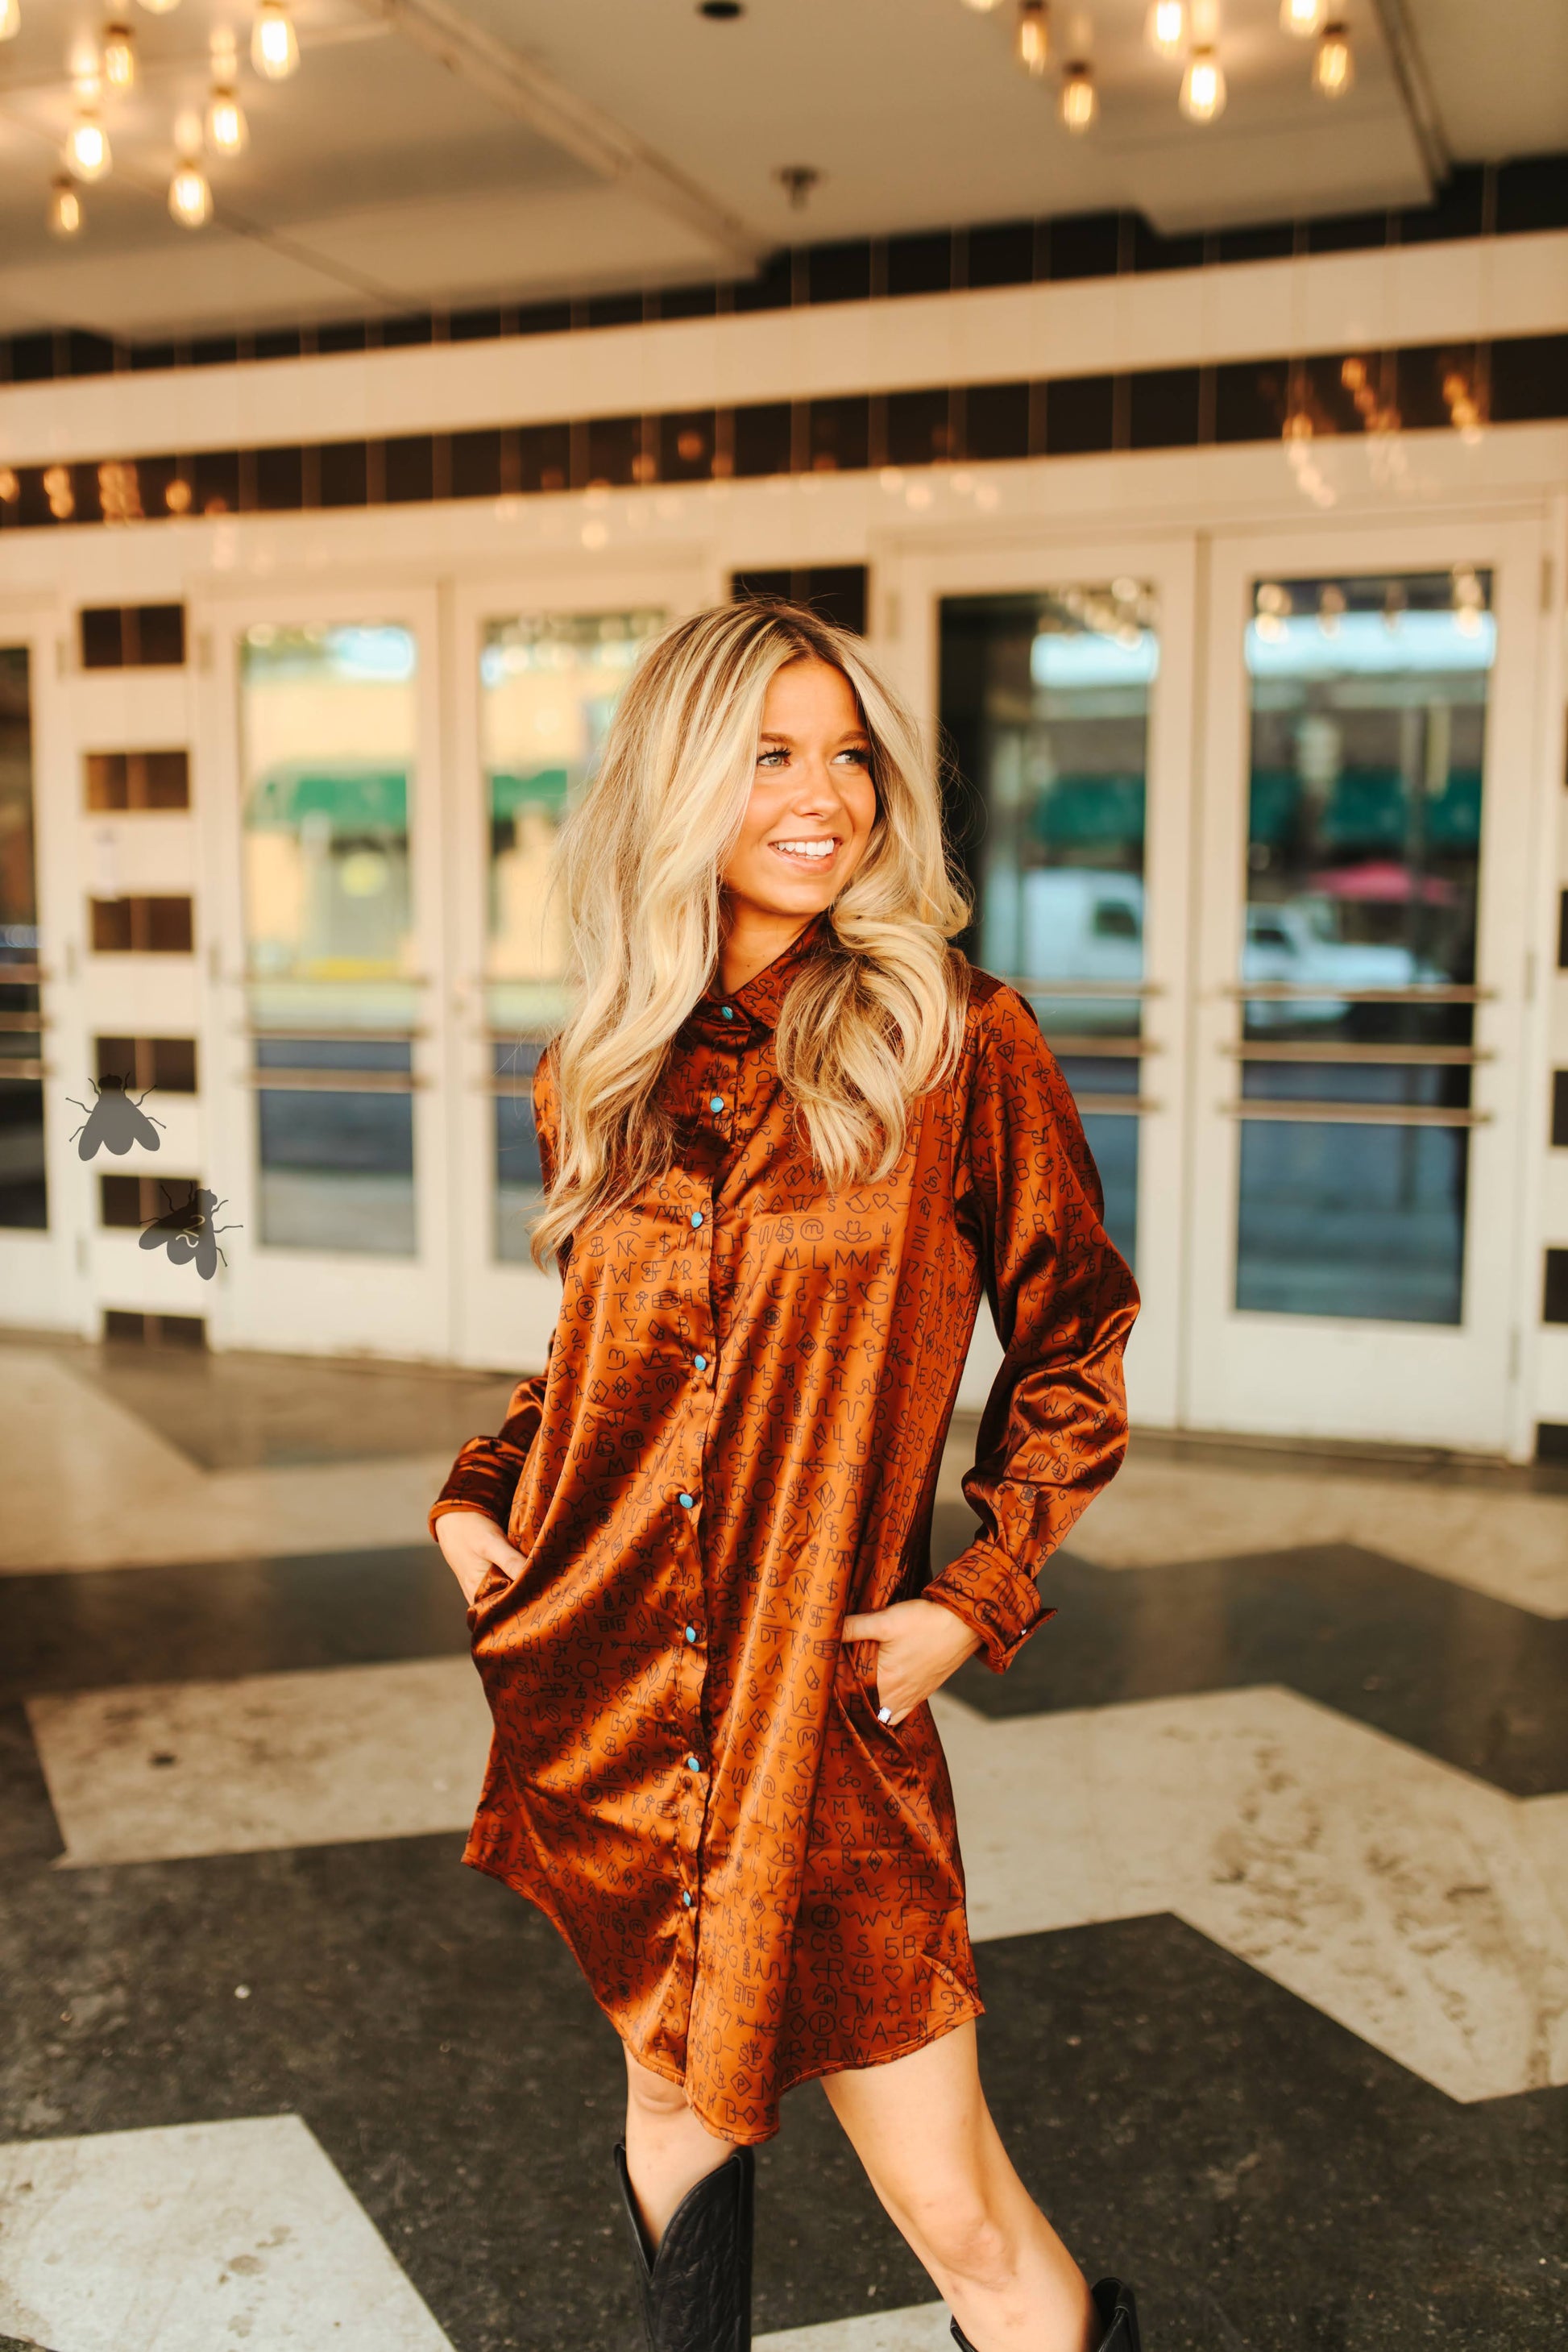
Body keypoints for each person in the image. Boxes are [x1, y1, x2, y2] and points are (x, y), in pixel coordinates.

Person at [432, 601, 1142, 2352]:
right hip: (621, 1692)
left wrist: (974, 1597)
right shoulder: (604, 1062)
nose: (823, 795)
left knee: (952, 2207)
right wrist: (478, 1491)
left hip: (820, 1719)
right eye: (768, 754)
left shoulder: (956, 1039)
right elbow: (599, 1356)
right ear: (678, 782)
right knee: (671, 2106)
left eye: (848, 755)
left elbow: (1074, 1342)